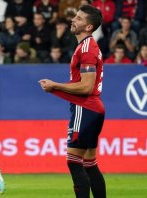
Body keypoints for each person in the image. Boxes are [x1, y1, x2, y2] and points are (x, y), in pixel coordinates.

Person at [39, 5, 106, 198]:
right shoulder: (86, 46)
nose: (73, 20)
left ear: (88, 27)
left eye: (79, 18)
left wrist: (55, 86)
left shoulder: (87, 48)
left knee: (73, 161)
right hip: (93, 108)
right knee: (89, 164)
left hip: (85, 108)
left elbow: (86, 87)